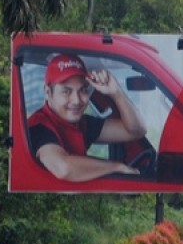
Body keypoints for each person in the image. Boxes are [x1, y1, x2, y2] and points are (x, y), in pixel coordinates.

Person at [27, 53, 148, 182]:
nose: (76, 100)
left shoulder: (81, 123)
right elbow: (63, 168)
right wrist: (118, 167)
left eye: (82, 90)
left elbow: (136, 131)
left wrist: (116, 92)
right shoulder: (38, 126)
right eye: (66, 91)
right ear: (47, 93)